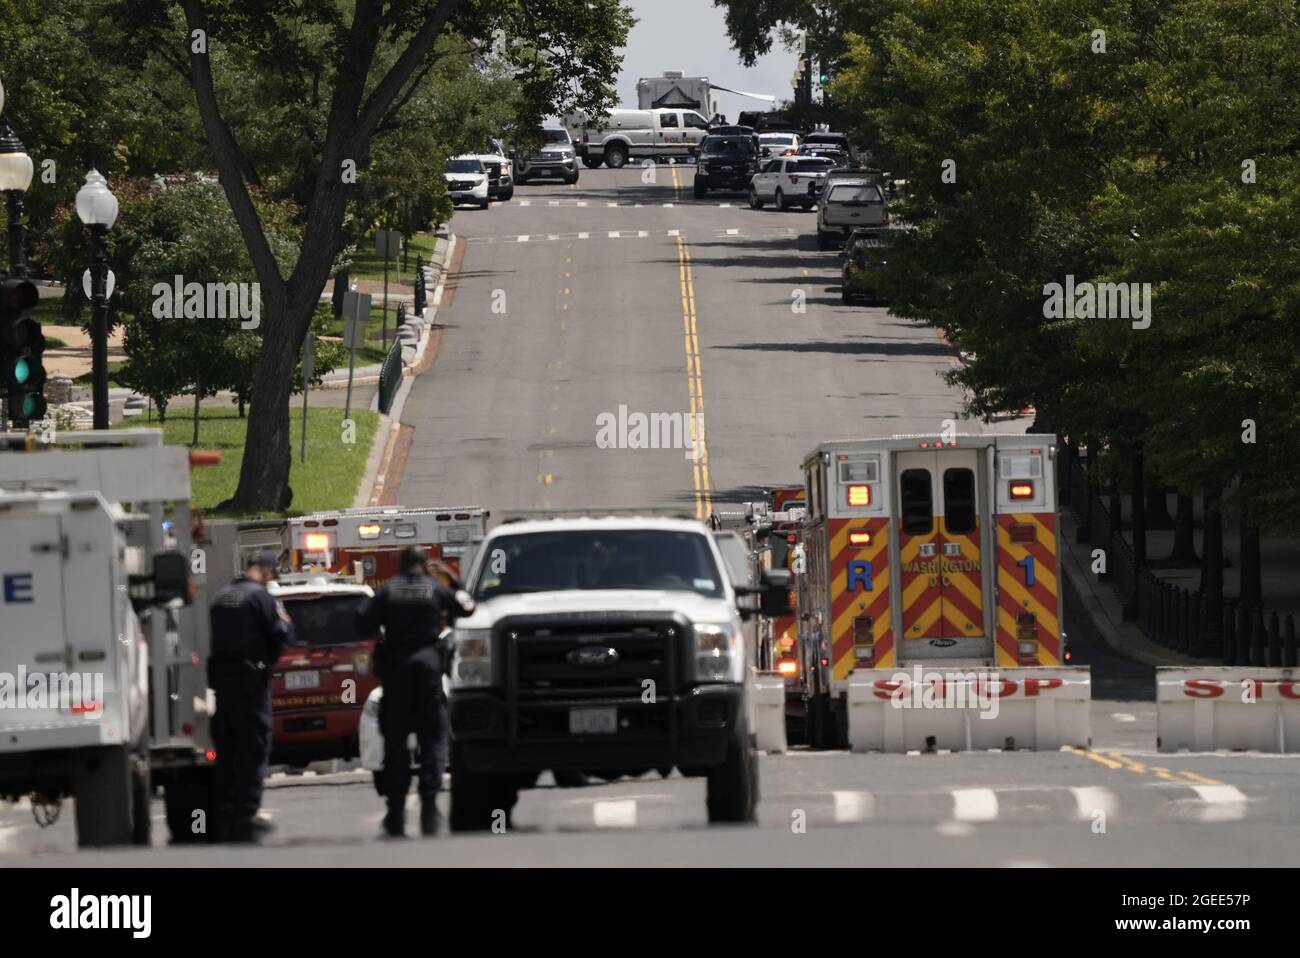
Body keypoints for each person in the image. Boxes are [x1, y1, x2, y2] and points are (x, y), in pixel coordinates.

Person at [356, 547, 475, 837]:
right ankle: (429, 810)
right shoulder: (434, 588)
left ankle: (395, 814)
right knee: (432, 738)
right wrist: (451, 578)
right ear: (423, 565)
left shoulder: (387, 591)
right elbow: (468, 606)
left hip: (396, 674)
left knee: (395, 743)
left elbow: (361, 623)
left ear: (400, 565)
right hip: (427, 673)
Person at [208, 551, 294, 843]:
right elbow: (282, 634)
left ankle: (226, 812)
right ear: (267, 571)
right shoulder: (262, 598)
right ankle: (247, 813)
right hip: (252, 684)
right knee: (254, 745)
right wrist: (269, 660)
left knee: (227, 748)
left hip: (222, 684)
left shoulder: (220, 597)